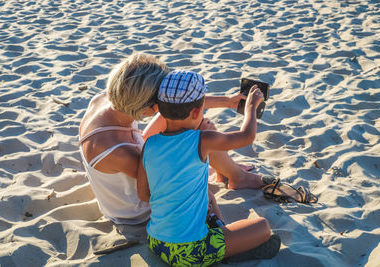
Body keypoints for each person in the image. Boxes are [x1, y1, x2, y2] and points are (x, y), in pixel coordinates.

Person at [78, 53, 265, 227]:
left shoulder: (110, 99)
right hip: (136, 210)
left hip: (140, 162)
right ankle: (232, 178)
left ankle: (234, 175)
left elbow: (178, 105)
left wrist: (226, 101)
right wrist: (203, 164)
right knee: (199, 137)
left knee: (197, 128)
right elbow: (162, 185)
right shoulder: (116, 150)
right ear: (148, 107)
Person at [138, 70, 280, 266]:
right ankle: (227, 252)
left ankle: (223, 237)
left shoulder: (149, 144)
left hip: (156, 242)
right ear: (197, 112)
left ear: (160, 110)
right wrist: (251, 108)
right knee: (262, 227)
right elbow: (246, 136)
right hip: (190, 251)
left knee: (208, 200)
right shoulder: (202, 139)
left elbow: (144, 195)